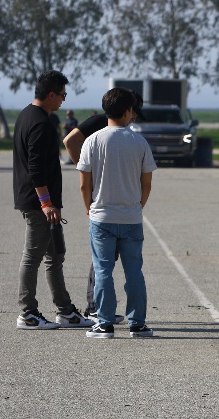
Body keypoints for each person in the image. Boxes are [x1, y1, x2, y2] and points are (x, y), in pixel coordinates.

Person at [13, 70, 94, 330]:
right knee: (33, 257)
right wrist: (46, 203)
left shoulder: (27, 115)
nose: (63, 100)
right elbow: (36, 168)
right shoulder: (40, 123)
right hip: (39, 204)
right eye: (62, 95)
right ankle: (27, 313)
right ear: (50, 94)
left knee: (55, 256)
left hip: (42, 202)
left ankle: (66, 311)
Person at [78, 87, 157, 339]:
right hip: (131, 216)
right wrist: (139, 204)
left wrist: (89, 208)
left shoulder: (93, 141)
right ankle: (137, 323)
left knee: (103, 271)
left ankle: (104, 322)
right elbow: (147, 183)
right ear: (126, 111)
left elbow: (84, 183)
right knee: (134, 271)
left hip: (101, 216)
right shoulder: (139, 142)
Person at [63, 90, 145, 325]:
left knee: (104, 262)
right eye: (135, 112)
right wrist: (87, 170)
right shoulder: (100, 124)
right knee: (104, 265)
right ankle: (95, 307)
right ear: (127, 109)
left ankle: (102, 311)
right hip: (106, 202)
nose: (136, 117)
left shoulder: (123, 133)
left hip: (104, 204)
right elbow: (69, 141)